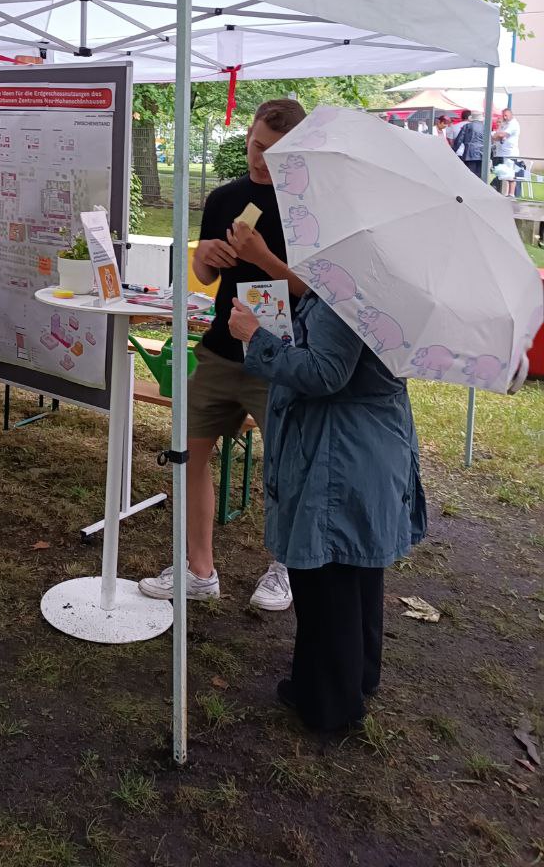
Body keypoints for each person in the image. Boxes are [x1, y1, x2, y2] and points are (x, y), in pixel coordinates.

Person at [229, 292, 426, 732]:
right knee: (356, 568)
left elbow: (326, 371)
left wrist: (256, 337)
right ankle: (356, 678)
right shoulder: (377, 281)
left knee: (327, 574)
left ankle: (330, 704)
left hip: (343, 454)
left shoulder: (347, 292)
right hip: (365, 444)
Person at [139, 98, 308, 611]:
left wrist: (264, 259)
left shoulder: (309, 208)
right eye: (257, 147)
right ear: (249, 135)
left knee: (286, 467)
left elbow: (316, 290)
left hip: (280, 357)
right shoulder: (225, 197)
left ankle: (286, 568)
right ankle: (199, 569)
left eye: (275, 155)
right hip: (218, 352)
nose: (261, 161)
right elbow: (209, 276)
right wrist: (204, 258)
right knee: (189, 457)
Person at [491, 107, 520, 197]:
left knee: (510, 174)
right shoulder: (504, 124)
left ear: (511, 115)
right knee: (501, 173)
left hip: (509, 153)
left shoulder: (513, 124)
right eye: (503, 115)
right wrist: (497, 135)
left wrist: (497, 135)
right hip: (500, 153)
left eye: (506, 115)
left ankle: (511, 194)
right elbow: (496, 135)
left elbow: (501, 135)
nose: (504, 117)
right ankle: (503, 193)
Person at [454, 110, 486, 178]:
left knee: (469, 175)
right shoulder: (485, 127)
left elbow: (459, 140)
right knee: (479, 176)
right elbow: (489, 141)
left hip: (469, 154)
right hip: (482, 154)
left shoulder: (467, 126)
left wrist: (453, 151)